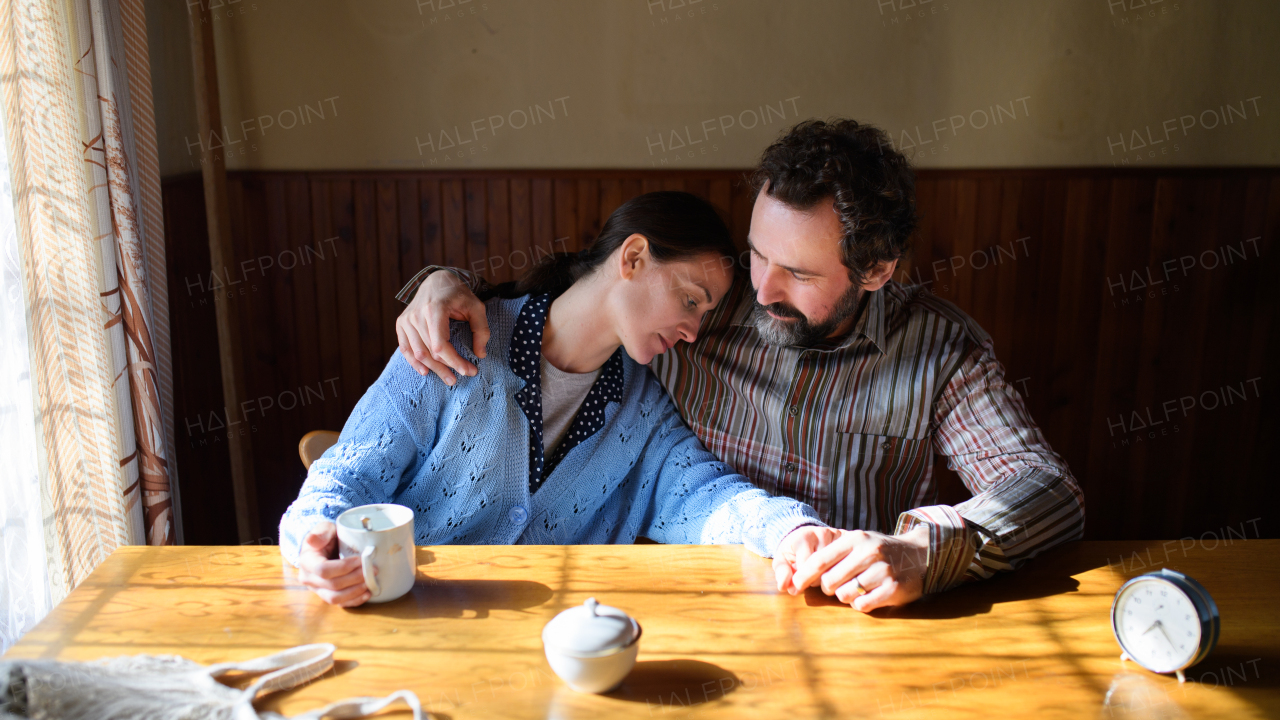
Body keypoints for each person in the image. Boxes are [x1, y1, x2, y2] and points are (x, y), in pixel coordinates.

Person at [393, 119, 1087, 613]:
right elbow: (584, 295)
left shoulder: (940, 351)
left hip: (844, 620)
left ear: (875, 269)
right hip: (675, 616)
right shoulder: (695, 318)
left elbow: (1047, 491)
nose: (763, 290)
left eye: (798, 272)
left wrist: (927, 552)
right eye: (758, 254)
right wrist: (440, 282)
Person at [279, 191, 844, 607]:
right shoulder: (449, 344)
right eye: (691, 301)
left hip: (553, 654)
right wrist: (313, 540)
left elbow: (706, 495)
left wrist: (789, 530)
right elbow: (346, 474)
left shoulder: (643, 407)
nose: (694, 331)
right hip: (404, 624)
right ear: (633, 257)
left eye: (704, 314)